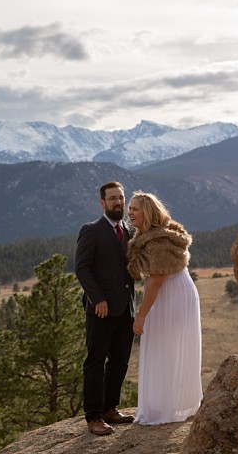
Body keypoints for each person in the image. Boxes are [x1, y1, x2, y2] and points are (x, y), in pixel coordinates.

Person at [126, 191, 202, 425]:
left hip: (172, 292)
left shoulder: (157, 241)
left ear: (147, 212)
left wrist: (140, 316)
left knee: (165, 345)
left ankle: (166, 408)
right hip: (177, 288)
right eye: (129, 208)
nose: (130, 213)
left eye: (135, 209)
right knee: (166, 345)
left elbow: (157, 280)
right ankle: (167, 403)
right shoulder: (156, 235)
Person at [74, 181, 136, 436]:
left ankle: (110, 408)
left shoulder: (130, 231)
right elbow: (82, 267)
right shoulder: (91, 230)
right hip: (100, 309)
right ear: (102, 203)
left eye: (120, 198)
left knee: (120, 361)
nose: (118, 202)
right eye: (112, 199)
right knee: (95, 363)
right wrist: (97, 298)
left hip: (126, 309)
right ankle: (94, 417)